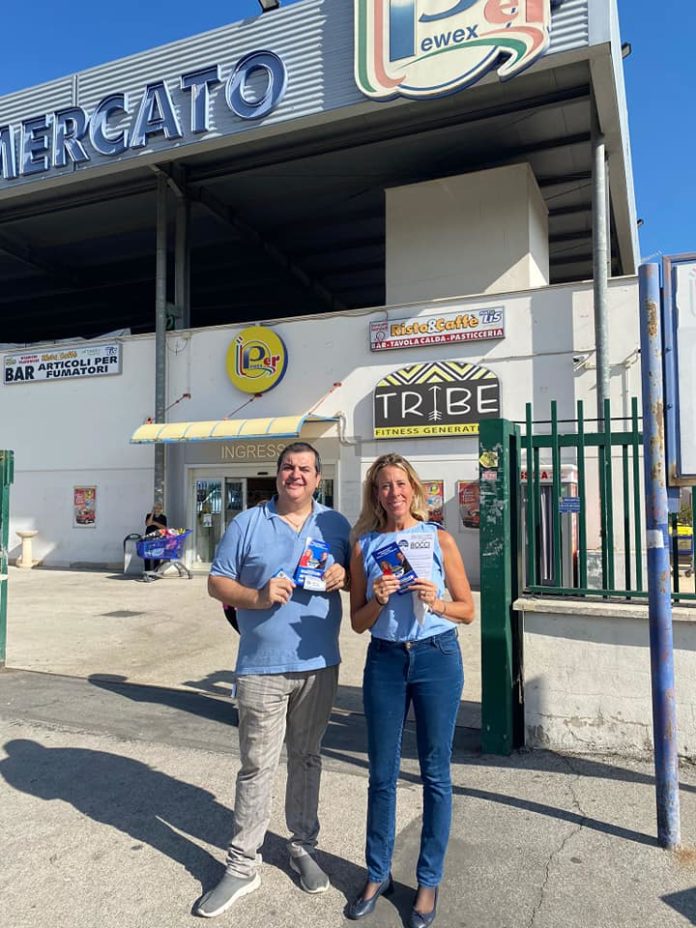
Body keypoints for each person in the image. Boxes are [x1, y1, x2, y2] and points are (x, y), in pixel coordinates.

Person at [197, 441, 351, 918]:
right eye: (288, 467)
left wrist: (344, 575)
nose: (295, 475)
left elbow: (357, 578)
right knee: (256, 766)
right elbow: (217, 582)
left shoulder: (336, 524)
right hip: (261, 665)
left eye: (305, 468)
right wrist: (259, 597)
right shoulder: (247, 522)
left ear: (318, 478)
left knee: (307, 758)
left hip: (319, 663)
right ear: (278, 474)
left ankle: (302, 845)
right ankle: (243, 865)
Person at [347, 453, 475, 928]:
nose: (393, 492)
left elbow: (467, 610)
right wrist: (378, 601)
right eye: (384, 485)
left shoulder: (438, 538)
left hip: (436, 657)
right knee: (381, 774)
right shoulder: (364, 546)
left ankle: (428, 880)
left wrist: (436, 601)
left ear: (414, 489)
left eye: (400, 484)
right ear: (375, 494)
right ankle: (377, 873)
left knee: (435, 774)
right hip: (385, 660)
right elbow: (357, 623)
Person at [143, 502, 167, 572]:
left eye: (159, 508)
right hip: (149, 538)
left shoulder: (163, 517)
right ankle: (147, 571)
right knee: (147, 554)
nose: (158, 510)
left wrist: (155, 523)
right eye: (156, 508)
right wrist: (152, 513)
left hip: (158, 538)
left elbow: (164, 527)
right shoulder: (149, 515)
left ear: (161, 509)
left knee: (157, 555)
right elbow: (148, 524)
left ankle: (156, 571)